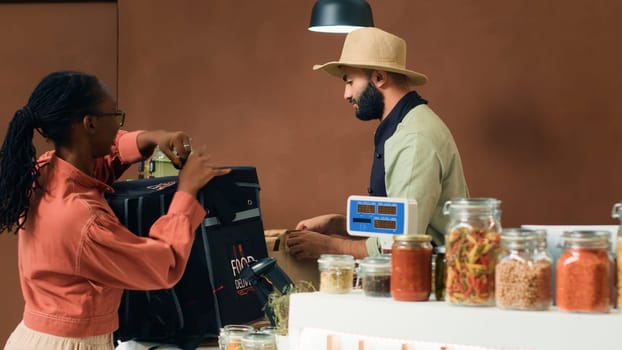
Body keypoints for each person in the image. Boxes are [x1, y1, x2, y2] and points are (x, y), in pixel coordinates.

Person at [0, 70, 230, 350]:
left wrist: (151, 138)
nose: (119, 125)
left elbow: (96, 167)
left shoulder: (45, 172)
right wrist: (186, 193)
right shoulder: (82, 219)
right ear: (90, 124)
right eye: (115, 116)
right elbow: (161, 265)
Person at [287, 27, 469, 260]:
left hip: (432, 286)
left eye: (350, 82)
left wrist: (331, 246)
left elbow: (402, 242)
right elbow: (395, 220)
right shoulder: (404, 126)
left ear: (379, 78)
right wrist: (338, 223)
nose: (346, 94)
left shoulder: (414, 139)